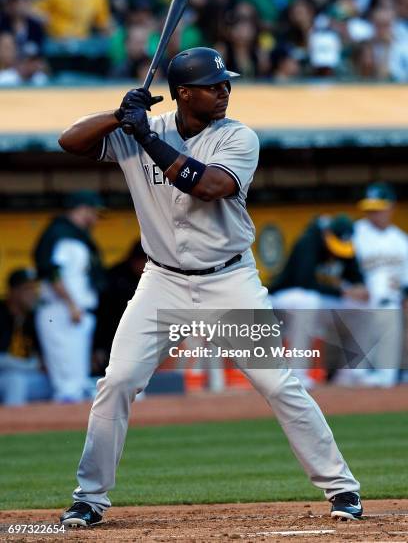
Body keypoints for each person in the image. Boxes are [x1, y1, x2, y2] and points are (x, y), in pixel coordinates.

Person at [58, 47, 362, 527]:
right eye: (213, 85)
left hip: (228, 282)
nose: (224, 92)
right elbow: (69, 142)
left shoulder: (237, 137)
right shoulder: (144, 130)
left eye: (225, 84)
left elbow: (207, 187)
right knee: (116, 382)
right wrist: (120, 115)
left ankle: (342, 488)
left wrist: (143, 136)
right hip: (161, 282)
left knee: (278, 385)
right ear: (183, 94)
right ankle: (89, 497)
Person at [269, 214, 369, 388]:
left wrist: (361, 288)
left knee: (362, 308)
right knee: (308, 302)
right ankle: (297, 373)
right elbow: (304, 281)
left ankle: (350, 375)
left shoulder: (347, 246)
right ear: (327, 234)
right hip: (285, 297)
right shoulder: (309, 241)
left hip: (321, 300)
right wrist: (344, 292)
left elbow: (356, 276)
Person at [34, 190, 105, 402]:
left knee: (77, 382)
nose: (96, 219)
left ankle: (72, 428)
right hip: (61, 311)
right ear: (82, 209)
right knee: (68, 386)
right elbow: (53, 272)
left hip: (72, 312)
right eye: (94, 212)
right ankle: (58, 429)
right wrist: (71, 304)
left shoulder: (74, 236)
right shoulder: (61, 234)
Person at [353, 183, 408, 387]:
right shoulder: (355, 234)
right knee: (359, 374)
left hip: (391, 305)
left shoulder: (401, 241)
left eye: (378, 209)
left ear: (391, 208)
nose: (373, 214)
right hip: (361, 305)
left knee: (385, 379)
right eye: (370, 209)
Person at [93, 240, 147, 375]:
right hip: (111, 339)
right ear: (135, 260)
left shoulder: (152, 280)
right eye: (145, 263)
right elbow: (102, 318)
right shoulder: (114, 279)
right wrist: (98, 347)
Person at [0, 268, 51, 405]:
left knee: (61, 385)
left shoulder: (37, 317)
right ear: (13, 292)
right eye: (27, 289)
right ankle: (12, 425)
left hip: (28, 376)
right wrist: (32, 365)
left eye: (34, 289)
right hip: (5, 377)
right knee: (15, 381)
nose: (33, 294)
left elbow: (44, 362)